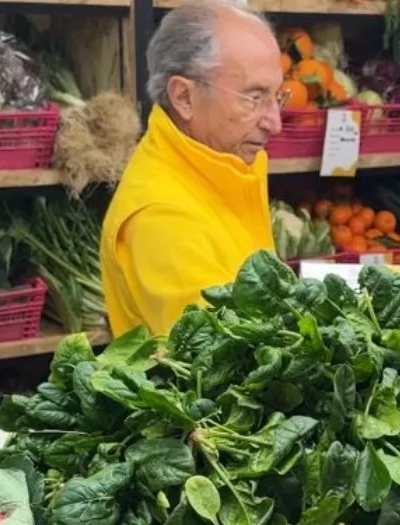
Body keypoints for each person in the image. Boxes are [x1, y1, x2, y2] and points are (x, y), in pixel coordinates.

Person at [100, 0, 285, 336]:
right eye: (253, 97)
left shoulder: (222, 163)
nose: (275, 123)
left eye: (277, 96)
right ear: (184, 97)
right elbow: (224, 361)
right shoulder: (161, 218)